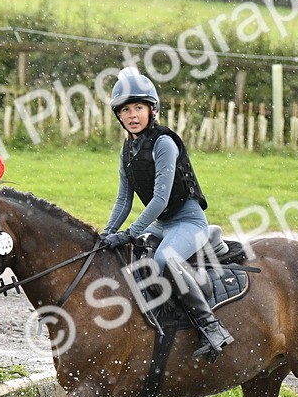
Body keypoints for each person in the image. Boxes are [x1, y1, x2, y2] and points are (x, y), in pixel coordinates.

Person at [100, 68, 234, 362]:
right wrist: (107, 233)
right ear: (118, 116)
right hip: (163, 226)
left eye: (138, 107)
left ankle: (213, 329)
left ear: (152, 110)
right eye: (125, 110)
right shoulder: (128, 150)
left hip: (188, 221)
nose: (133, 115)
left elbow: (160, 199)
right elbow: (124, 199)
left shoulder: (164, 143)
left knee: (163, 260)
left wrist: (130, 232)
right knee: (131, 257)